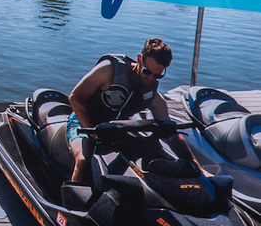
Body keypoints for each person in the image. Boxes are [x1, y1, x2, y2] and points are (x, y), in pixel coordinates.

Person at [67, 38, 184, 184]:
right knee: (83, 159)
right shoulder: (109, 70)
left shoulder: (152, 95)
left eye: (157, 76)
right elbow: (75, 98)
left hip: (113, 128)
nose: (150, 79)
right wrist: (93, 133)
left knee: (148, 145)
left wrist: (193, 163)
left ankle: (110, 180)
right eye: (147, 72)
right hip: (82, 123)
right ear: (139, 59)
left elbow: (170, 132)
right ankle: (74, 200)